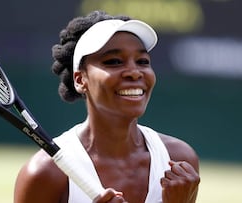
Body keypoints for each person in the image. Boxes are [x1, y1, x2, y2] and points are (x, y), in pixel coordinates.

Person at [14, 10, 200, 203]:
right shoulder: (44, 173)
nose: (134, 72)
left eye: (142, 61)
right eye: (114, 62)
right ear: (80, 79)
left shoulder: (180, 160)